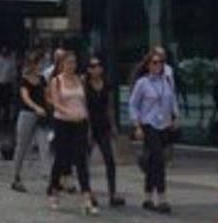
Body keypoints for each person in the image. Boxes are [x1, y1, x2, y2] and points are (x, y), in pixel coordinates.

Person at [129, 48, 179, 214]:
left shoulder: (167, 81)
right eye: (155, 62)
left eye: (161, 62)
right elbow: (133, 104)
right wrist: (137, 125)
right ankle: (162, 197)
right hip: (149, 124)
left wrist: (175, 117)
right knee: (158, 159)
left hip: (164, 124)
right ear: (148, 65)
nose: (158, 65)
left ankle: (147, 196)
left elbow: (172, 99)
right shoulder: (142, 83)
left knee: (152, 161)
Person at [47, 51, 97, 215]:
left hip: (80, 123)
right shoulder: (57, 81)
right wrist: (68, 112)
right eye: (68, 63)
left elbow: (85, 102)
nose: (71, 66)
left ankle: (86, 196)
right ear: (62, 64)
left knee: (81, 159)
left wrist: (87, 122)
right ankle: (54, 191)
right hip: (63, 122)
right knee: (61, 159)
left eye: (73, 63)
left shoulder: (80, 80)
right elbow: (55, 102)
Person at [84, 54, 124, 208]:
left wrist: (113, 126)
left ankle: (112, 193)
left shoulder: (107, 84)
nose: (96, 69)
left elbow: (110, 106)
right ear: (88, 70)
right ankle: (88, 192)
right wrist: (86, 128)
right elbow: (84, 106)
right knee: (85, 161)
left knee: (110, 160)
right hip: (89, 125)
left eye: (98, 65)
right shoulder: (85, 84)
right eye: (92, 66)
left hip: (104, 126)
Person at [10, 51, 52, 194]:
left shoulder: (42, 79)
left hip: (41, 117)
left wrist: (52, 105)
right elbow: (25, 97)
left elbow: (47, 95)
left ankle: (49, 178)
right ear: (33, 64)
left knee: (44, 146)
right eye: (39, 63)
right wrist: (36, 107)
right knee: (22, 146)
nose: (41, 66)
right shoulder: (24, 79)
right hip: (27, 114)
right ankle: (16, 176)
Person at [0, 47, 18, 127]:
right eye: (3, 51)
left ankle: (5, 122)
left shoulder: (11, 62)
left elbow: (14, 75)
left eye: (6, 52)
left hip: (7, 84)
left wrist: (14, 87)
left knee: (6, 105)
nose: (4, 53)